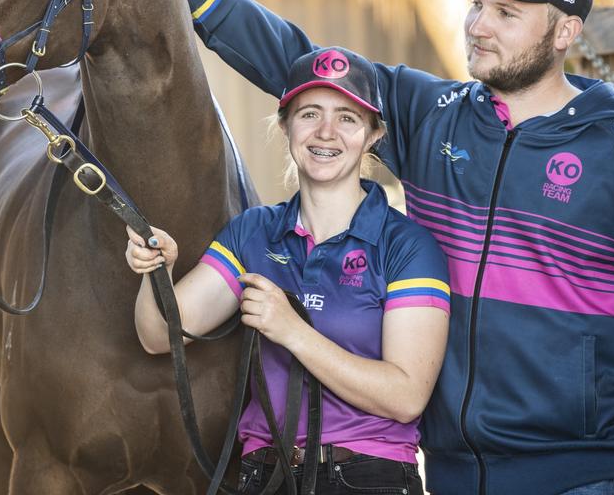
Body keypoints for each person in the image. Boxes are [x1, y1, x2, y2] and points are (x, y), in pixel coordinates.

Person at [161, 0, 614, 495]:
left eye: (506, 13)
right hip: (450, 475)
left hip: (580, 476)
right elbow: (297, 59)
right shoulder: (432, 114)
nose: (479, 26)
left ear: (566, 31)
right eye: (477, 5)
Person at [126, 46, 451, 494]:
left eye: (348, 118)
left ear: (373, 135)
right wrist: (155, 271)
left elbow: (406, 396)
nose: (326, 132)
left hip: (366, 476)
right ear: (285, 125)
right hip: (266, 475)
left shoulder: (407, 245)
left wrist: (291, 330)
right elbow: (160, 334)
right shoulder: (253, 233)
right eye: (309, 114)